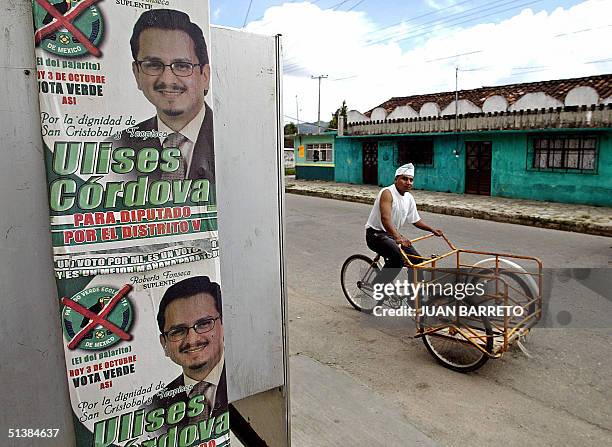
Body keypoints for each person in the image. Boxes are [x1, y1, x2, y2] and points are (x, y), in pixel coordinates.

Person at [115, 9, 214, 182]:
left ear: (204, 76)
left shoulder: (228, 138)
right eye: (153, 64)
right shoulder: (116, 146)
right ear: (137, 73)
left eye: (182, 65)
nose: (167, 79)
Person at [145, 276, 227, 429]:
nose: (192, 339)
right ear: (164, 343)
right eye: (178, 331)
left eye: (203, 324)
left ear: (224, 325)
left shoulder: (247, 380)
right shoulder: (151, 410)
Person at [365, 163, 443, 294]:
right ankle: (378, 285)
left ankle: (414, 297)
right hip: (375, 235)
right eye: (404, 179)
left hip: (391, 235)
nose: (408, 182)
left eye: (411, 180)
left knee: (417, 262)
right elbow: (385, 219)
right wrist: (398, 238)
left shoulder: (409, 198)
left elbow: (415, 220)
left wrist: (431, 229)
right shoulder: (387, 193)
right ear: (396, 179)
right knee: (398, 259)